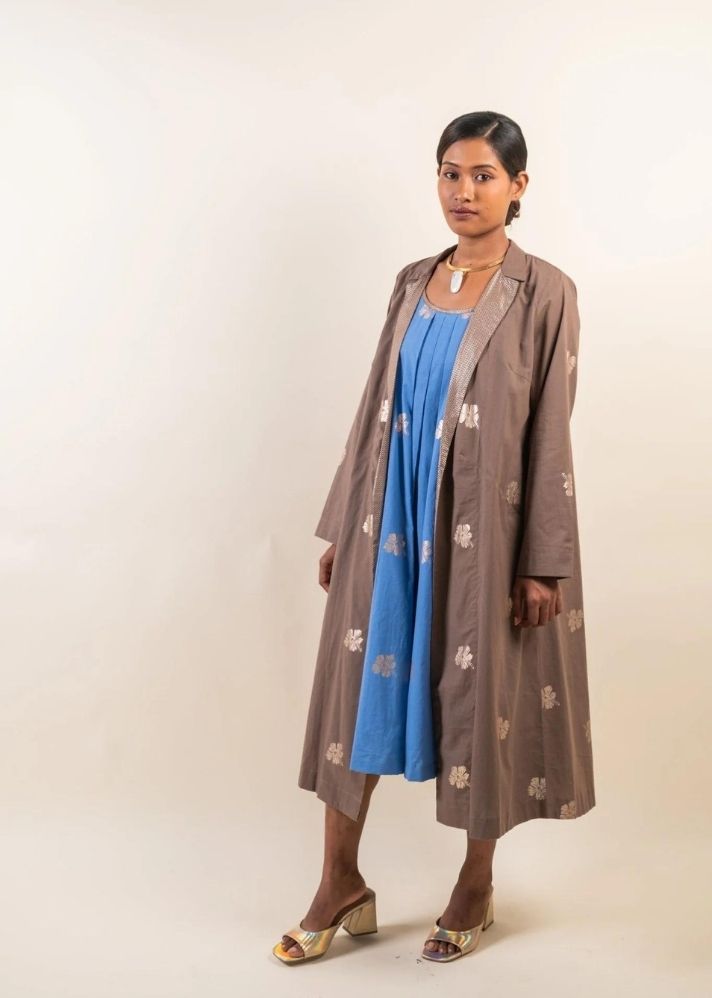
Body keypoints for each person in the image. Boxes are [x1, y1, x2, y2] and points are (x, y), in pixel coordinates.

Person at [273, 110, 596, 966]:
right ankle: (339, 881)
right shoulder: (412, 280)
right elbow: (373, 408)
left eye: (483, 175)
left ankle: (475, 884)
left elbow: (551, 430)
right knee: (358, 694)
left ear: (518, 186)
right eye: (451, 173)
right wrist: (345, 523)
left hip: (483, 530)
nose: (464, 190)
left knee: (479, 696)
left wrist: (543, 563)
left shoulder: (545, 290)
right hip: (390, 521)